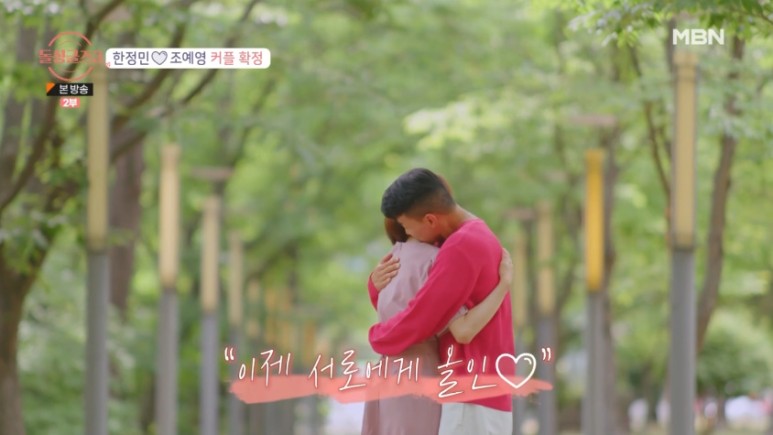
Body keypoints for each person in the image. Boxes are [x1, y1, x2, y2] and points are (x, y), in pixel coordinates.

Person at [367, 168, 515, 435]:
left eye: (407, 226)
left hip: (469, 392)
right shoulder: (477, 235)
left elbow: (422, 316)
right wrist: (375, 286)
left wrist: (377, 336)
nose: (406, 233)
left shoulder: (459, 247)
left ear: (430, 219)